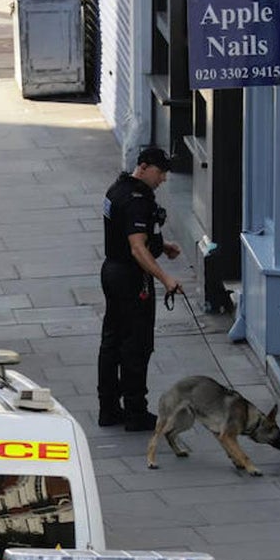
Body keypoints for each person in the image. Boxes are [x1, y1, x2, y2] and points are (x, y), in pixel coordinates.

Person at [97, 146, 183, 432]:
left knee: (112, 341)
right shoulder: (136, 200)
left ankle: (108, 408)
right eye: (160, 173)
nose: (163, 179)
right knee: (136, 344)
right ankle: (135, 412)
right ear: (144, 167)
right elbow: (136, 248)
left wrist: (161, 246)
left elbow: (133, 237)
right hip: (131, 279)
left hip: (111, 270)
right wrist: (165, 278)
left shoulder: (117, 188)